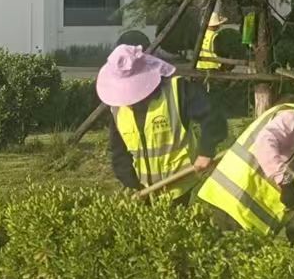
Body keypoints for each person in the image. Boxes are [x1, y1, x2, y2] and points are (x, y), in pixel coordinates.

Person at [197, 88, 294, 238]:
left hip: (245, 215)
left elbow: (291, 192)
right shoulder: (292, 117)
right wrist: (285, 182)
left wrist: (292, 225)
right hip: (231, 204)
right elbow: (265, 143)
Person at [97, 43, 226, 199]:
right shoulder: (118, 109)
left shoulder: (178, 91)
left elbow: (213, 117)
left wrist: (206, 151)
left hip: (180, 186)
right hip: (143, 190)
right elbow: (119, 152)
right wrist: (131, 185)